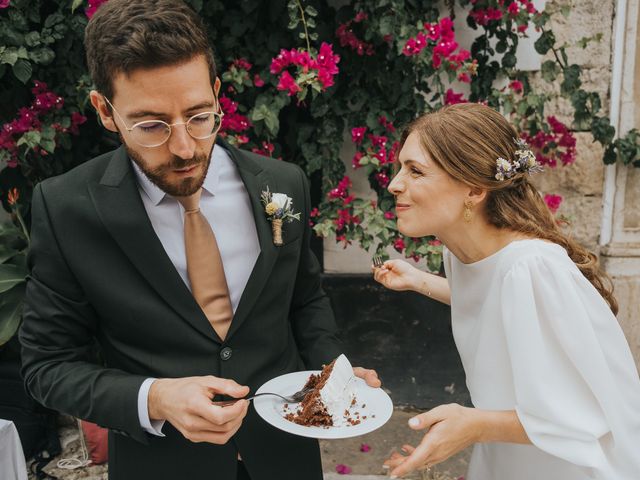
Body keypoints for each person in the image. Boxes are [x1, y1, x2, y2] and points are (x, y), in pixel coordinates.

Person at [18, 1, 380, 479]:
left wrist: (334, 372)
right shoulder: (66, 208)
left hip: (285, 454)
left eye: (199, 115)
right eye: (151, 125)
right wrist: (156, 398)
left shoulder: (283, 183)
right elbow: (48, 365)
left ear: (216, 92)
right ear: (105, 111)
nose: (185, 147)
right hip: (162, 462)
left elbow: (303, 300)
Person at [373, 103, 640, 479]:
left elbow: (584, 414)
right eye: (401, 167)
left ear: (475, 189)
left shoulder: (533, 267)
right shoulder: (463, 254)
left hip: (565, 465)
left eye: (416, 171)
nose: (394, 183)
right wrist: (419, 280)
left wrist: (473, 426)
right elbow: (491, 301)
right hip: (509, 456)